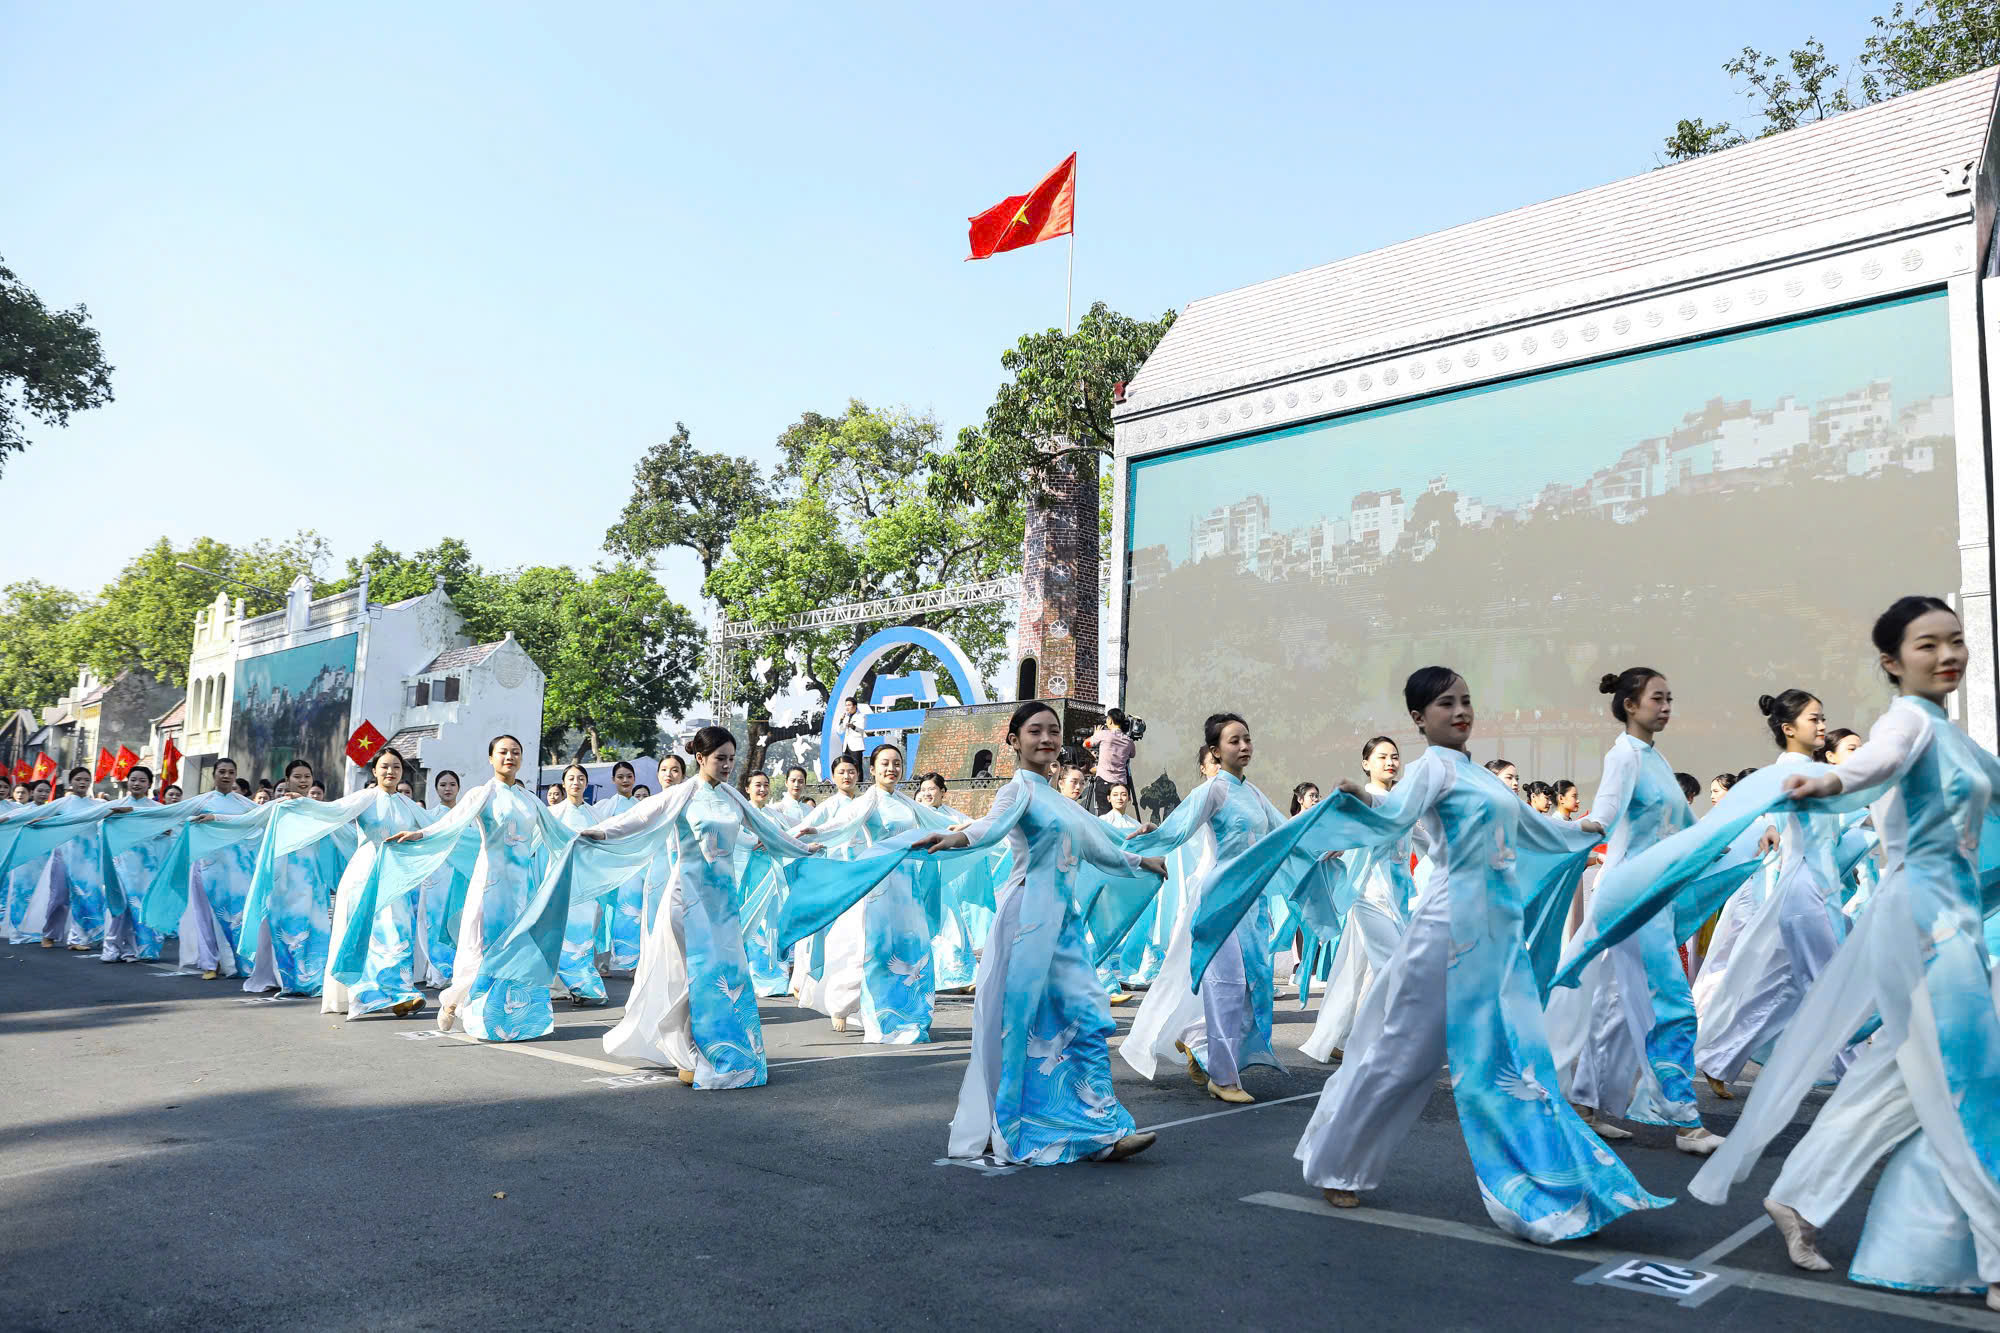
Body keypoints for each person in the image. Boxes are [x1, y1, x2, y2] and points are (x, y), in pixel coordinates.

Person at [1569, 598, 1999, 1305]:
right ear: (1893, 662)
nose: (1947, 653)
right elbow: (1871, 765)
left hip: (1938, 918)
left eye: (1956, 641)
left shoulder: (1952, 734)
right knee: (1974, 1076)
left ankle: (1798, 1193)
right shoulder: (1906, 724)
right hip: (1919, 925)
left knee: (1894, 1076)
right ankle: (1994, 1254)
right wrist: (1829, 778)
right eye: (1928, 644)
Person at [1227, 666, 1667, 1240]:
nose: (1460, 711)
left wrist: (1589, 829)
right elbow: (1392, 815)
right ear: (1418, 717)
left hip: (1497, 935)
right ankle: (1337, 1161)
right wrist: (1362, 795)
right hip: (1446, 931)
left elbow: (1535, 833)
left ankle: (1555, 1186)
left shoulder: (1480, 777)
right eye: (1444, 704)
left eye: (1465, 701)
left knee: (1516, 1061)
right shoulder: (1430, 768)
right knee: (1400, 1057)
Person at [796, 701, 1165, 1164]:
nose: (1046, 738)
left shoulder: (1058, 798)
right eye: (1035, 731)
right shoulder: (1017, 791)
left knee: (1086, 1017)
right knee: (1025, 1022)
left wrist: (1140, 861)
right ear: (1013, 740)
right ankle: (1026, 1122)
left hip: (1062, 922)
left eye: (1053, 730)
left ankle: (1098, 1125)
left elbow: (1097, 846)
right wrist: (957, 838)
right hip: (1027, 917)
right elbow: (991, 828)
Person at [503, 726, 828, 1087]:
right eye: (720, 758)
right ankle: (689, 1051)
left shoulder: (733, 797)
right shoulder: (683, 795)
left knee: (726, 978)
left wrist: (804, 849)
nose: (727, 766)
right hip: (686, 899)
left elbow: (769, 832)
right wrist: (599, 833)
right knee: (692, 978)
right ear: (700, 758)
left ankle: (723, 1051)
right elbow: (638, 819)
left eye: (732, 759)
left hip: (723, 904)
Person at [1558, 667, 1724, 1155]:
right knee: (1670, 1000)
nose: (1666, 705)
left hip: (1654, 897)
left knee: (1613, 1006)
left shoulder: (1655, 757)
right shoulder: (1624, 756)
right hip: (1632, 898)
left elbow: (1691, 829)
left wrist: (1744, 836)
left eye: (1670, 698)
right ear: (1630, 704)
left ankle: (1584, 1104)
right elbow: (1604, 818)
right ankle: (1687, 1122)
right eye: (1658, 698)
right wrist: (1550, 834)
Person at [1121, 713, 1288, 1104]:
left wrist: (1323, 836)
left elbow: (1285, 832)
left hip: (1251, 905)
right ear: (1215, 751)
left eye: (1247, 739)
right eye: (1234, 741)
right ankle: (1224, 1077)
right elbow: (1178, 827)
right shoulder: (1215, 790)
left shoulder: (1256, 794)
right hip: (1219, 902)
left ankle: (1197, 1039)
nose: (1244, 746)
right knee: (1225, 987)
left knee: (1252, 987)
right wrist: (1153, 837)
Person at [1693, 689, 1850, 1099]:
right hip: (1807, 893)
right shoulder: (1800, 772)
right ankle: (1861, 1084)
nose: (1821, 726)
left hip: (1811, 891)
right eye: (1814, 719)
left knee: (1783, 988)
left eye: (1823, 718)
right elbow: (1766, 804)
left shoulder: (1809, 771)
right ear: (1788, 728)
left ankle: (1719, 1059)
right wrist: (1768, 823)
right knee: (1834, 986)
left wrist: (1771, 823)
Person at [380, 735, 581, 1040]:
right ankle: (455, 1001)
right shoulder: (483, 794)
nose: (509, 757)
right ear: (491, 758)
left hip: (522, 889)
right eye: (502, 752)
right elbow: (452, 824)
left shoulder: (530, 800)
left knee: (517, 951)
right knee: (482, 951)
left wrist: (596, 837)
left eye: (515, 752)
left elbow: (561, 833)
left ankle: (511, 1017)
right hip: (490, 887)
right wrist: (420, 835)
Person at [793, 743, 973, 1043]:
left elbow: (940, 822)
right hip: (877, 883)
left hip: (906, 884)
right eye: (885, 763)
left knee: (912, 949)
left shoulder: (907, 803)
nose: (892, 769)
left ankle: (912, 1014)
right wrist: (813, 832)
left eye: (897, 763)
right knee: (871, 951)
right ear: (873, 769)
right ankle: (872, 1014)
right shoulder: (869, 801)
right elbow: (841, 823)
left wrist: (970, 827)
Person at [1302, 735, 1420, 1064]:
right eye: (1382, 757)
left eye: (1395, 756)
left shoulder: (1403, 803)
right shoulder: (1365, 798)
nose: (1390, 762)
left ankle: (1337, 1038)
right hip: (1370, 896)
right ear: (1366, 763)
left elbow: (1426, 837)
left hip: (1398, 900)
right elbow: (1345, 831)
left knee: (1359, 972)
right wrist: (1335, 845)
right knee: (1392, 968)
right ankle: (1383, 1044)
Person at [305, 746, 438, 1018]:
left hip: (395, 878)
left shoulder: (408, 804)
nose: (391, 772)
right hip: (364, 876)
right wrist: (299, 803)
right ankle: (369, 995)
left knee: (397, 933)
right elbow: (329, 812)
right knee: (368, 935)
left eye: (396, 767)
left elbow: (435, 829)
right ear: (375, 771)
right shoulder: (364, 798)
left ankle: (400, 993)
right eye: (385, 767)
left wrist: (419, 835)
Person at [791, 753, 865, 1026]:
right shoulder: (829, 806)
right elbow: (802, 830)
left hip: (863, 881)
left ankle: (852, 1003)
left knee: (860, 943)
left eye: (852, 771)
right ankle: (836, 1002)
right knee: (837, 942)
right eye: (842, 772)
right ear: (833, 777)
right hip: (836, 882)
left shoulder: (866, 804)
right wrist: (782, 841)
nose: (847, 776)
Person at [549, 763, 609, 1005]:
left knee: (584, 935)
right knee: (559, 932)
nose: (576, 782)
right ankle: (561, 986)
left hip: (586, 883)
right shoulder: (553, 814)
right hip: (561, 881)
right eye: (571, 778)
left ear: (586, 783)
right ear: (564, 783)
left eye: (581, 778)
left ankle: (582, 985)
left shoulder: (595, 815)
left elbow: (606, 842)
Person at [591, 760, 647, 975]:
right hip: (609, 868)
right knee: (605, 912)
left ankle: (632, 961)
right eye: (621, 776)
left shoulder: (642, 807)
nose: (625, 780)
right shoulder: (604, 807)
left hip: (634, 867)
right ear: (613, 780)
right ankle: (602, 962)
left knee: (634, 912)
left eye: (629, 776)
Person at [1083, 709, 1137, 814]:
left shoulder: (1103, 734)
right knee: (1119, 815)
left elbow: (1086, 744)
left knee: (1105, 816)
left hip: (1104, 781)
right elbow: (1132, 754)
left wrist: (1095, 735)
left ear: (1110, 721)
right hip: (1121, 783)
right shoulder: (1129, 741)